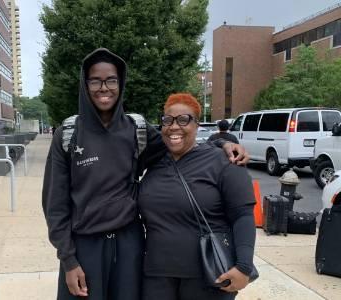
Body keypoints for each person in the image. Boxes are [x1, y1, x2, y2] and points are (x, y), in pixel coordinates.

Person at [45, 48, 249, 299]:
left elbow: (178, 141)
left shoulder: (136, 129)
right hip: (84, 246)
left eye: (111, 80)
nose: (103, 87)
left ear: (120, 83)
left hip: (129, 244)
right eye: (95, 81)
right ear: (85, 85)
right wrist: (68, 259)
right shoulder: (68, 133)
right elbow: (54, 204)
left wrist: (221, 144)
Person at [137, 94, 256, 298]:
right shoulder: (154, 160)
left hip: (209, 277)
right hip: (156, 277)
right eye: (168, 120)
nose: (174, 126)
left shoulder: (224, 162)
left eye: (184, 120)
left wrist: (243, 267)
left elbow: (243, 216)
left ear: (197, 125)